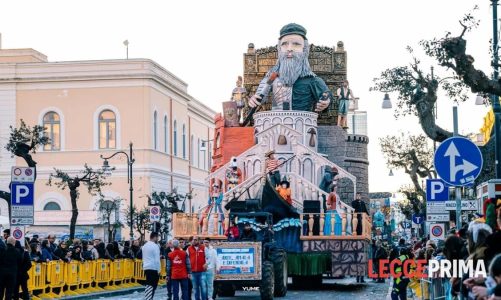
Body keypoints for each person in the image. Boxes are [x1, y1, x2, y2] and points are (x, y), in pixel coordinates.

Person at [248, 23, 331, 113]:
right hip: (276, 123)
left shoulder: (313, 80)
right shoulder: (272, 77)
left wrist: (326, 101)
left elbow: (326, 94)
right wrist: (253, 100)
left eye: (296, 44)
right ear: (279, 49)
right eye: (284, 44)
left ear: (305, 49)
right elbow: (260, 95)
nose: (289, 48)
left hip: (303, 124)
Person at [187, 236, 207, 300]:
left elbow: (208, 258)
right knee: (195, 289)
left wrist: (206, 263)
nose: (194, 241)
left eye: (195, 240)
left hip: (202, 272)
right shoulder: (189, 248)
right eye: (193, 240)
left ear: (198, 241)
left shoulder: (204, 248)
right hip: (193, 272)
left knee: (203, 288)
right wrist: (188, 271)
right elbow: (186, 260)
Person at [142, 232, 161, 300]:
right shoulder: (155, 246)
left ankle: (148, 297)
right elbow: (157, 259)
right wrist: (159, 270)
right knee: (152, 285)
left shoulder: (144, 246)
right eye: (157, 237)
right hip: (153, 267)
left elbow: (143, 257)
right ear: (155, 237)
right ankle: (149, 298)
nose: (158, 239)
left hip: (146, 267)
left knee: (149, 284)